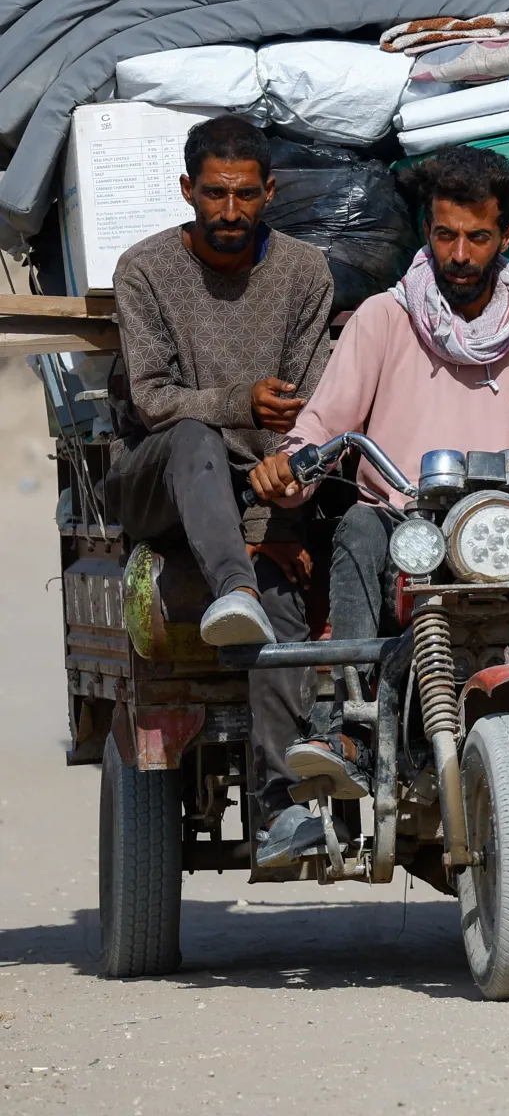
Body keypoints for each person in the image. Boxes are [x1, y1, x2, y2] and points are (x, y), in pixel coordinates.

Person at [250, 145, 509, 856]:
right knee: (357, 539)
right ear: (426, 232)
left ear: (507, 234)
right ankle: (350, 724)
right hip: (405, 523)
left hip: (504, 534)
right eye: (444, 235)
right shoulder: (382, 319)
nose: (459, 254)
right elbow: (324, 424)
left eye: (478, 237)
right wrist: (289, 466)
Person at [102, 115, 335, 866]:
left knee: (281, 600)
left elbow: (309, 409)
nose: (228, 212)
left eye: (243, 195)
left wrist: (285, 513)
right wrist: (237, 402)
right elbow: (153, 400)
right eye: (212, 195)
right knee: (196, 436)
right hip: (158, 479)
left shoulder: (305, 273)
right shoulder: (144, 270)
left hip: (257, 487)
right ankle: (232, 582)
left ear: (269, 193)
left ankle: (279, 803)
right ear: (186, 191)